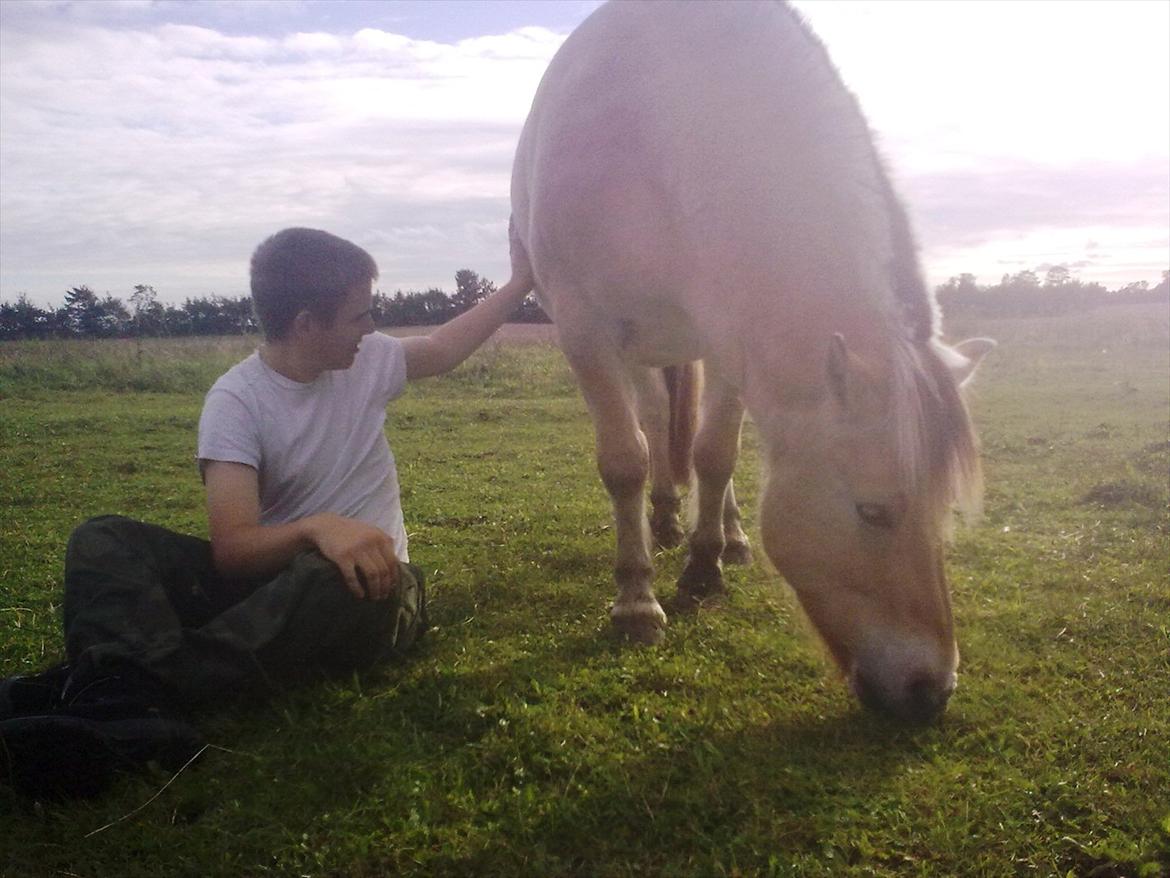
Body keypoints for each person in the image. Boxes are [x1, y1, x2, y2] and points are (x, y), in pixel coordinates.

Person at [0, 227, 533, 799]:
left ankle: (106, 692)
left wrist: (521, 282)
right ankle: (127, 710)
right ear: (306, 323)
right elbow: (233, 551)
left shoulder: (371, 361)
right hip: (272, 587)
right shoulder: (237, 401)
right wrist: (316, 526)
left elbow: (446, 348)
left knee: (332, 575)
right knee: (103, 539)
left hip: (373, 591)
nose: (371, 327)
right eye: (359, 314)